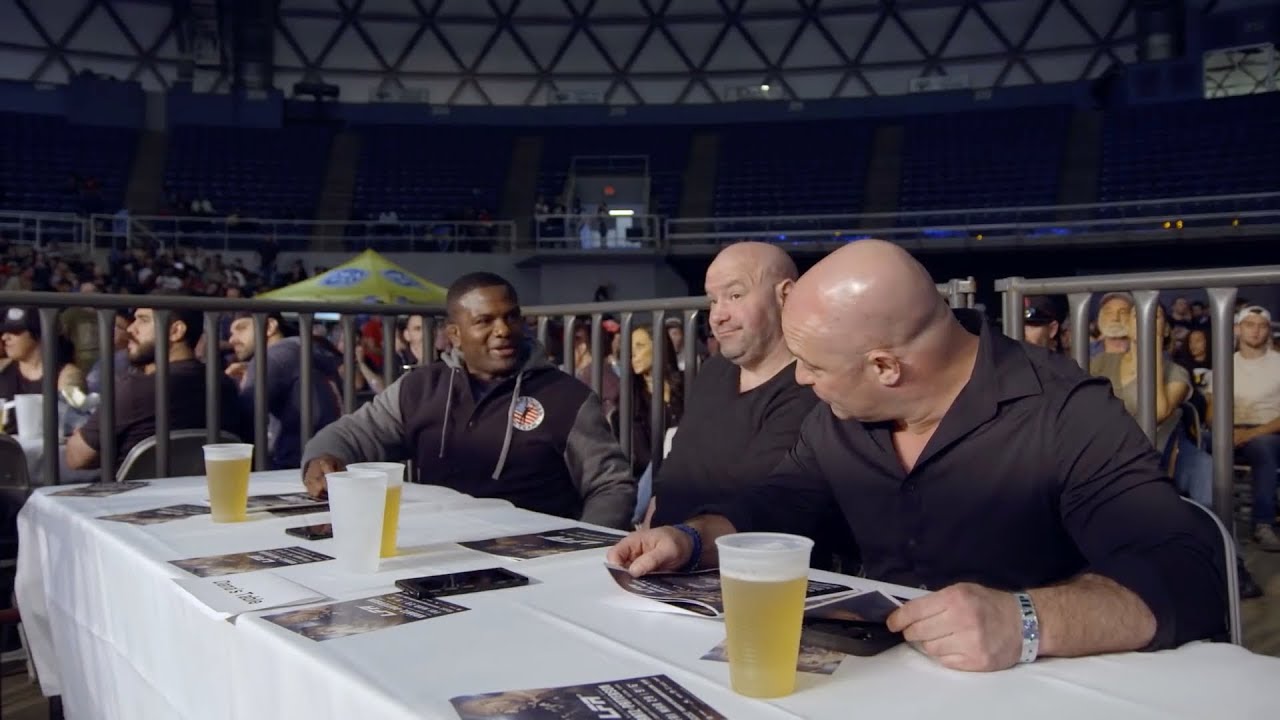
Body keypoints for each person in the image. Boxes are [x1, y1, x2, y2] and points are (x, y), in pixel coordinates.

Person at [608, 240, 1226, 672]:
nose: (799, 381)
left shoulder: (1063, 413)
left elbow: (1186, 571)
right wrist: (694, 538)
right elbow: (781, 502)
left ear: (885, 367)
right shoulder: (840, 417)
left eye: (814, 366)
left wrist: (1027, 620)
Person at [300, 272, 637, 529]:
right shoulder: (419, 387)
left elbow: (611, 487)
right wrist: (322, 458)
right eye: (484, 321)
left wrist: (582, 548)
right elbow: (352, 435)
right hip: (437, 552)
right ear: (455, 335)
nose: (503, 330)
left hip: (530, 564)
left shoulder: (568, 397)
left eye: (511, 317)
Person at [650, 242, 818, 527]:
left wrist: (684, 540)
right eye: (713, 301)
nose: (717, 316)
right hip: (660, 544)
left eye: (735, 295)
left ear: (785, 296)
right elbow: (672, 475)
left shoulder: (810, 387)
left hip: (727, 550)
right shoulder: (713, 371)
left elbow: (755, 506)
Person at [65, 306, 246, 471]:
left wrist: (82, 436)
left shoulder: (133, 388)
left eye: (143, 320)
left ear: (175, 331)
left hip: (135, 494)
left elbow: (77, 459)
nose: (131, 329)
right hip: (205, 490)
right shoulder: (224, 384)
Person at [225, 312, 342, 470]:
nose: (232, 339)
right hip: (327, 458)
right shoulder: (306, 349)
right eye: (231, 333)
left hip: (289, 465)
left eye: (241, 328)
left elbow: (243, 420)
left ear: (270, 326)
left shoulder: (272, 357)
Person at [1090, 303, 1191, 457]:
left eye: (1154, 316)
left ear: (1165, 329)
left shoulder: (1177, 372)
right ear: (1128, 326)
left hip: (1144, 455)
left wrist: (1154, 345)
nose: (1145, 320)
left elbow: (1156, 414)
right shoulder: (1101, 361)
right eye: (1137, 316)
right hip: (1098, 448)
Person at [1231, 305, 1280, 551]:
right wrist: (1225, 431)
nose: (1256, 331)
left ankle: (1263, 524)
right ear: (1237, 329)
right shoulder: (1226, 363)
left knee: (1263, 447)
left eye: (1262, 326)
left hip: (1268, 432)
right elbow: (1211, 407)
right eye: (1249, 324)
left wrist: (1250, 434)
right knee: (1195, 445)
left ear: (1268, 330)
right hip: (1229, 431)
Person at [0, 306, 83, 434]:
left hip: (44, 445)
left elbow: (76, 419)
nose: (5, 337)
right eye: (4, 331)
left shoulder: (68, 375)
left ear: (39, 334)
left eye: (15, 331)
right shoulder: (2, 369)